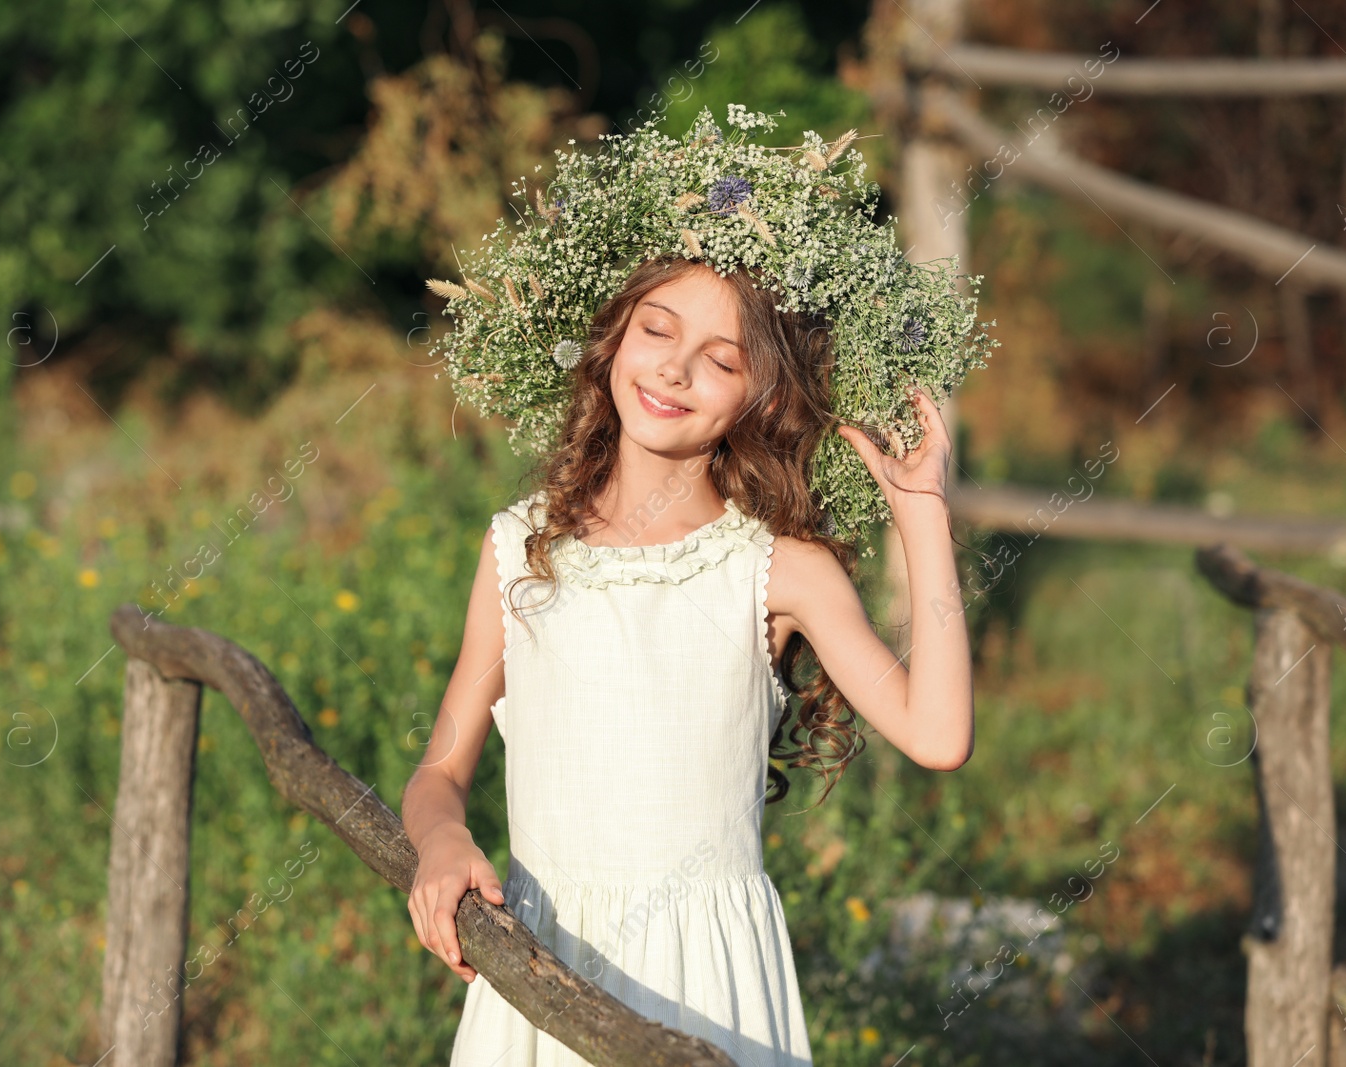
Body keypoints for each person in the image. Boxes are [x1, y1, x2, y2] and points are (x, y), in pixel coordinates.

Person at [401, 253, 975, 1066]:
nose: (676, 368)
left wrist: (921, 517)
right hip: (541, 967)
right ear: (613, 345)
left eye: (722, 359)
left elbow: (940, 733)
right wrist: (441, 841)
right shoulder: (520, 549)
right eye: (657, 331)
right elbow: (438, 771)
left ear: (763, 395)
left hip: (711, 981)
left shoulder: (777, 568)